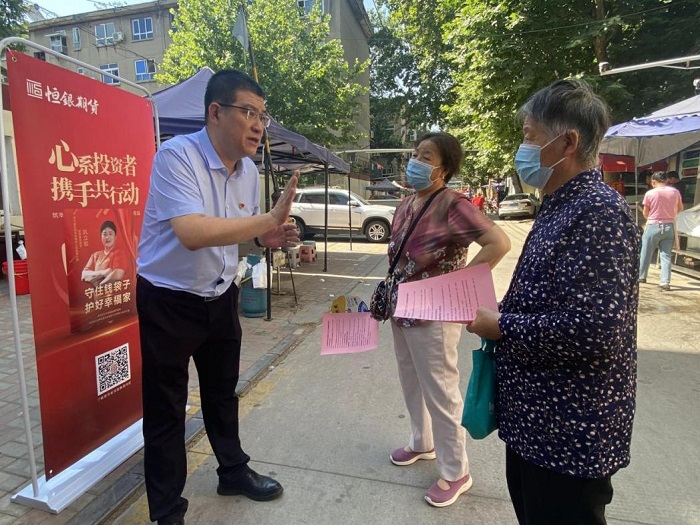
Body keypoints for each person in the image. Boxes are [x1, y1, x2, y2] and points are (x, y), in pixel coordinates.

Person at [467, 79, 640, 525]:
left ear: (568, 143)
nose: (522, 148)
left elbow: (595, 329)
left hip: (568, 435)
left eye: (530, 136)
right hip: (536, 425)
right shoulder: (559, 204)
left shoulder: (599, 212)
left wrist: (502, 326)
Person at [136, 69, 299, 525]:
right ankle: (167, 511)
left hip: (221, 296)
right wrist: (266, 221)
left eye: (263, 116)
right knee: (167, 408)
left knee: (222, 393)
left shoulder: (247, 171)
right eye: (248, 112)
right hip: (168, 301)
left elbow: (236, 233)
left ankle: (232, 471)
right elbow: (192, 232)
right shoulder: (176, 156)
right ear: (215, 112)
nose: (258, 125)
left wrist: (266, 238)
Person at [386, 132, 510, 508]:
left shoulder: (453, 205)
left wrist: (459, 284)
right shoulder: (406, 202)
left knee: (441, 392)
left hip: (436, 316)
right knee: (411, 382)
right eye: (415, 153)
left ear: (444, 169)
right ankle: (421, 442)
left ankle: (456, 471)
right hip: (402, 309)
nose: (415, 161)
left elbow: (499, 243)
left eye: (426, 157)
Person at [639, 171, 683, 290]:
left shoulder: (650, 193)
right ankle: (665, 282)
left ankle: (642, 276)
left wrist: (652, 218)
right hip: (669, 226)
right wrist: (669, 215)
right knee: (666, 255)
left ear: (653, 182)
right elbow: (680, 208)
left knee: (646, 252)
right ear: (667, 181)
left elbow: (645, 212)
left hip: (653, 225)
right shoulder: (675, 192)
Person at [81, 220, 127, 287]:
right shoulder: (95, 255)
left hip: (113, 293)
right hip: (97, 293)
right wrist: (104, 273)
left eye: (110, 234)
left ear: (115, 237)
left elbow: (117, 275)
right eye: (105, 234)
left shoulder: (119, 253)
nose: (107, 237)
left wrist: (98, 284)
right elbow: (84, 274)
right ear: (101, 237)